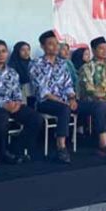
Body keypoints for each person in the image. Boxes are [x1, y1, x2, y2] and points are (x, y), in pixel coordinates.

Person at [0, 39, 43, 165]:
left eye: (3, 51)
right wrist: (3, 104)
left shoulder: (12, 72)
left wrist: (17, 103)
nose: (1, 55)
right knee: (2, 117)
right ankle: (2, 152)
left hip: (12, 105)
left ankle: (16, 147)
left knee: (36, 118)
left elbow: (17, 91)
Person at [30, 30, 79, 163]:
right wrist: (63, 101)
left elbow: (68, 84)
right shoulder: (36, 64)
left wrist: (72, 98)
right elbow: (42, 90)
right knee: (64, 109)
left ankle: (101, 142)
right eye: (51, 44)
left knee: (94, 106)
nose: (55, 46)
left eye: (57, 43)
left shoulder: (62, 64)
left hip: (64, 101)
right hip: (45, 102)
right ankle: (61, 147)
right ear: (43, 46)